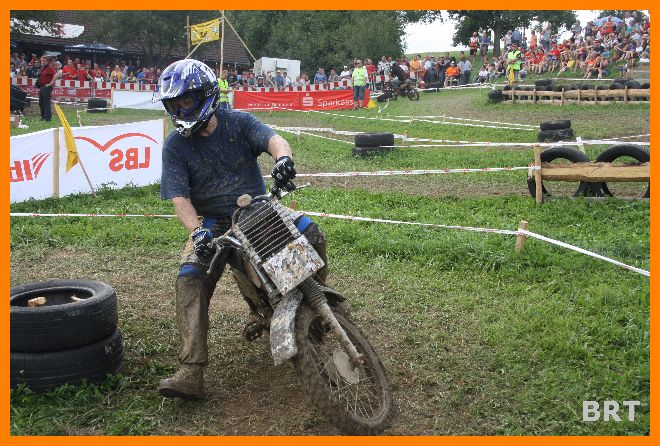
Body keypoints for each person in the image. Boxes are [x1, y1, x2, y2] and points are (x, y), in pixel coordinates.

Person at [154, 59, 327, 400]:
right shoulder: (175, 145)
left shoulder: (239, 122)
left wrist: (283, 160)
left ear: (205, 95)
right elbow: (179, 198)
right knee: (189, 279)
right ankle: (191, 370)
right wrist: (196, 231)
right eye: (173, 104)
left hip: (255, 209)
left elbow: (274, 140)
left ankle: (315, 309)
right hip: (211, 224)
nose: (179, 110)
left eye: (185, 101)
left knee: (311, 234)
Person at [38, 56, 57, 121]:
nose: (42, 62)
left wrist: (50, 83)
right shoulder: (43, 68)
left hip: (47, 87)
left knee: (46, 103)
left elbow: (56, 75)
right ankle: (43, 116)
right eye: (41, 60)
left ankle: (48, 118)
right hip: (42, 87)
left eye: (44, 60)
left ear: (47, 61)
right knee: (41, 103)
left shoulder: (49, 68)